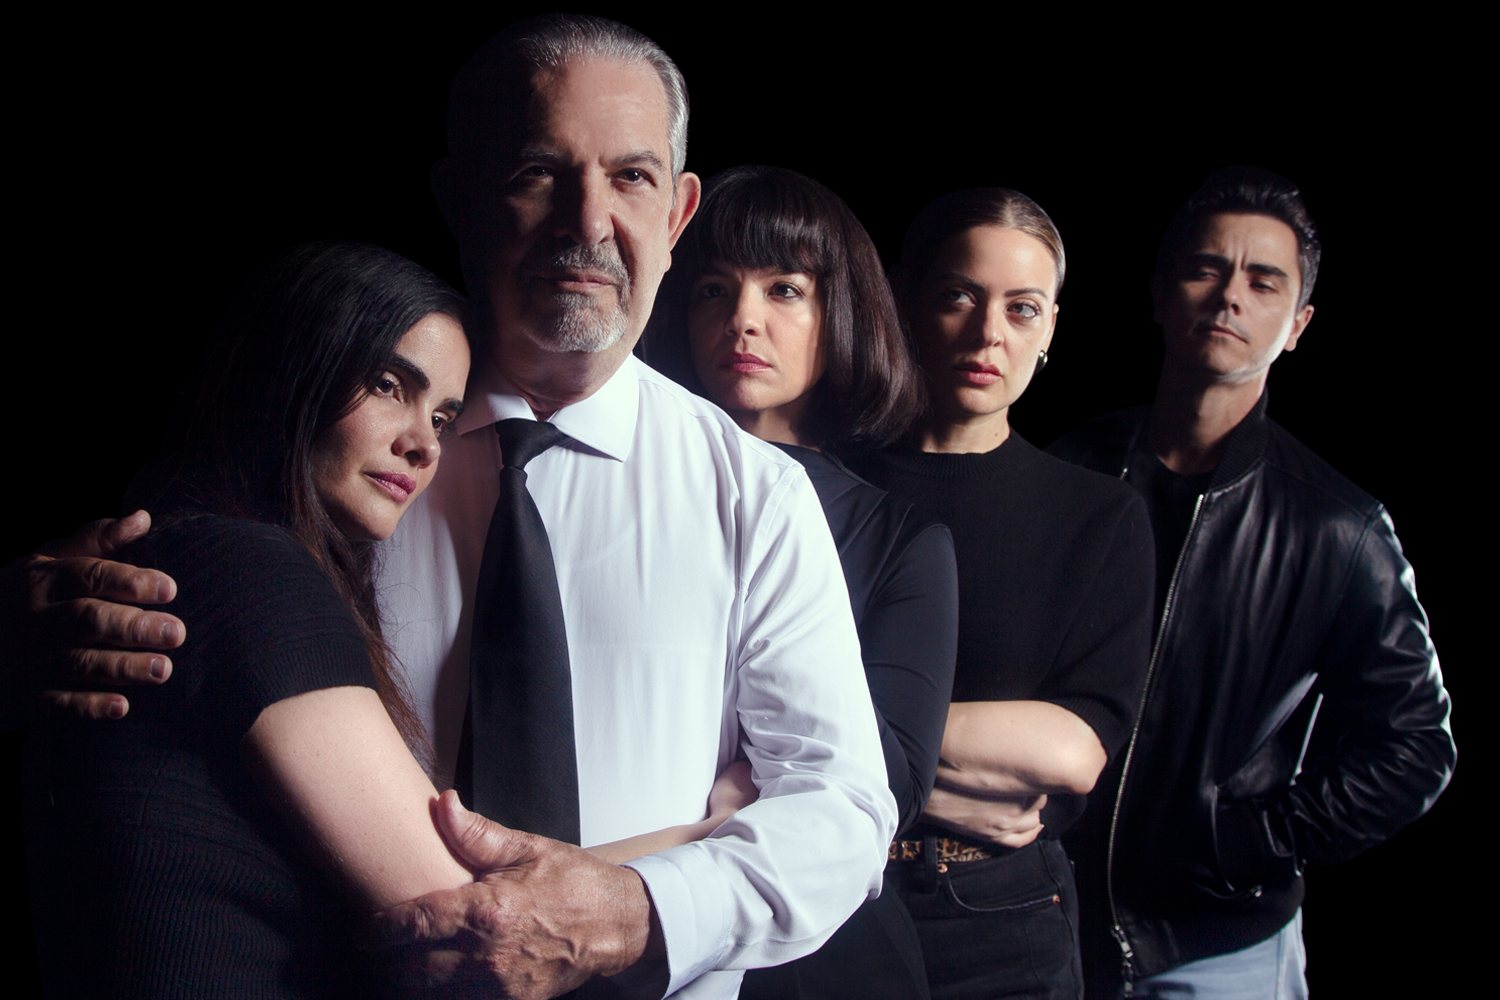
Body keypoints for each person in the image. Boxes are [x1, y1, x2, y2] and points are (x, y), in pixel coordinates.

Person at [12, 16, 896, 999]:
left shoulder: (758, 496)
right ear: (459, 197)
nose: (587, 221)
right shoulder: (316, 483)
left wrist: (635, 908)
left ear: (680, 212)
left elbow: (844, 812)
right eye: (536, 172)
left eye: (632, 178)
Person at [24, 240, 480, 995]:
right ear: (297, 367)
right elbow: (469, 922)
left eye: (442, 414)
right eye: (388, 384)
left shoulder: (184, 549)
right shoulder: (249, 574)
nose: (424, 442)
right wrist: (708, 838)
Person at [1048, 166, 1456, 999]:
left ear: (1297, 324)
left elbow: (1417, 748)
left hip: (1217, 948)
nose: (1230, 296)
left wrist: (1245, 839)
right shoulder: (1071, 470)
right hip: (1048, 921)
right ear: (1162, 295)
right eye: (1206, 269)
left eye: (1263, 281)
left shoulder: (1337, 528)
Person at [644, 163, 959, 1000]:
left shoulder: (901, 540)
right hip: (640, 923)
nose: (743, 320)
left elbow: (886, 773)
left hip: (823, 953)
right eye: (715, 289)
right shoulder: (628, 490)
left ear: (838, 314)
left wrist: (734, 787)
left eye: (784, 290)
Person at [844, 189, 1155, 1000]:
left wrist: (836, 748)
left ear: (1049, 328)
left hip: (999, 910)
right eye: (959, 296)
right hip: (826, 887)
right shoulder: (822, 479)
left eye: (1022, 309)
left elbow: (1075, 751)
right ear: (907, 299)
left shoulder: (1098, 516)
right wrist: (935, 777)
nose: (990, 334)